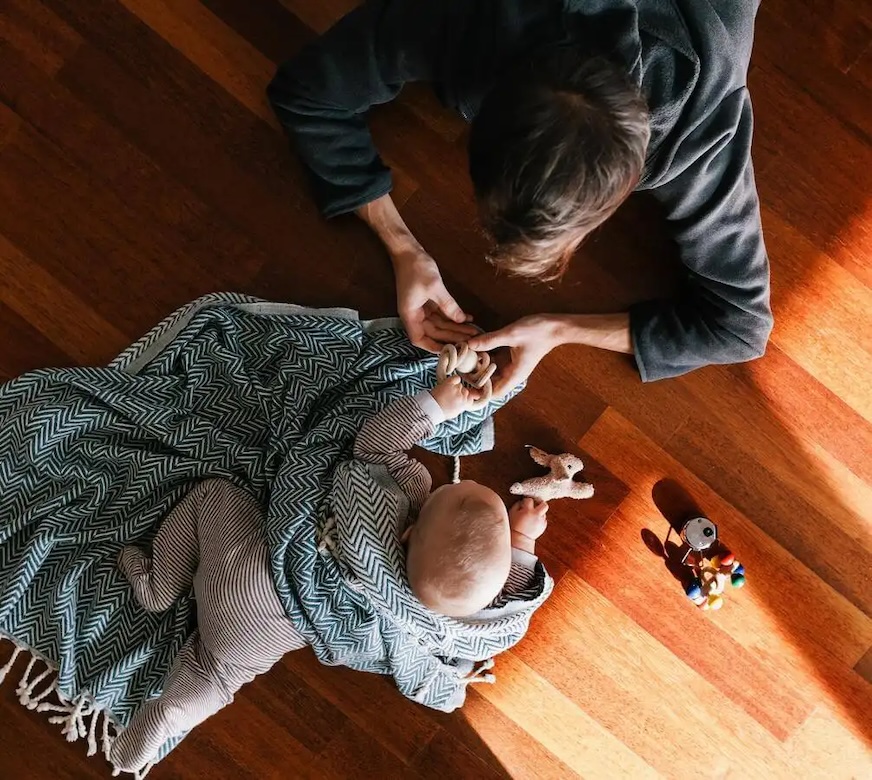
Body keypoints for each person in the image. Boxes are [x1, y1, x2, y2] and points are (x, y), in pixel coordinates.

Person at [268, 0, 773, 392]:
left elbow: (740, 325)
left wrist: (558, 329)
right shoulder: (458, 18)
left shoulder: (700, 129)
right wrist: (401, 246)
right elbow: (306, 94)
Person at [109, 377, 550, 772]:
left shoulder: (386, 503)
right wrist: (522, 541)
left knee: (216, 495)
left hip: (249, 571)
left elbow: (372, 444)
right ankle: (173, 713)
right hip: (270, 630)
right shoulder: (424, 625)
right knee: (218, 674)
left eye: (456, 491)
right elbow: (498, 605)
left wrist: (436, 405)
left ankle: (160, 584)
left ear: (410, 530)